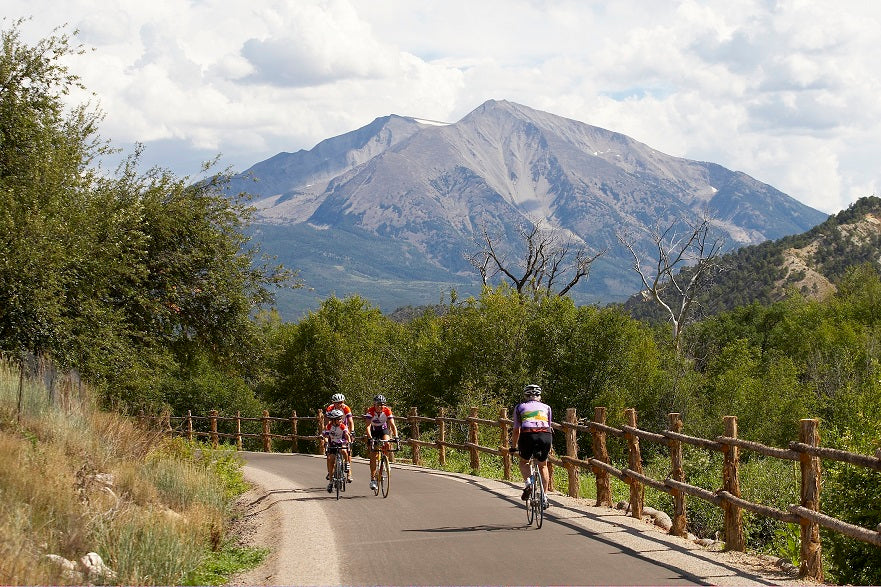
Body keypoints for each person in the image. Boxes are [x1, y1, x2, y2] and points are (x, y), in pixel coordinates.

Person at [510, 384, 553, 509]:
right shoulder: (547, 407)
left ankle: (528, 484)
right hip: (545, 436)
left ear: (525, 395)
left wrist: (513, 446)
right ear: (539, 396)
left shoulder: (520, 407)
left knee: (524, 462)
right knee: (543, 465)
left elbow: (516, 430)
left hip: (527, 435)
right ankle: (544, 496)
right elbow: (548, 426)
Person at [363, 394, 399, 491]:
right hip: (373, 431)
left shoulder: (387, 410)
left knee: (387, 442)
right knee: (373, 454)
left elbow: (392, 425)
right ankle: (373, 479)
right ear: (374, 405)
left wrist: (396, 437)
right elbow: (367, 427)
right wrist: (370, 438)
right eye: (378, 405)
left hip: (383, 429)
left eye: (382, 405)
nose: (381, 407)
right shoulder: (370, 411)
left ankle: (385, 461)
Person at [325, 393, 355, 481]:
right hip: (333, 429)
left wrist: (352, 431)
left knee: (347, 450)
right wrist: (325, 431)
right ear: (333, 403)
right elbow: (326, 421)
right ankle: (330, 471)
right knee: (329, 452)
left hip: (343, 428)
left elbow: (350, 421)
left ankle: (349, 472)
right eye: (337, 403)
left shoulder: (346, 408)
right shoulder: (330, 408)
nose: (339, 404)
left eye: (341, 402)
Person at [322, 408, 352, 492]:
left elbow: (346, 435)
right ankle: (331, 481)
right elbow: (326, 436)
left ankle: (346, 463)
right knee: (330, 459)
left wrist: (349, 442)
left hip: (341, 441)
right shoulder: (329, 426)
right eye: (339, 419)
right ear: (334, 420)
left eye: (341, 418)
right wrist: (326, 442)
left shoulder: (342, 425)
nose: (341, 420)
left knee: (344, 451)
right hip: (332, 443)